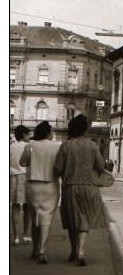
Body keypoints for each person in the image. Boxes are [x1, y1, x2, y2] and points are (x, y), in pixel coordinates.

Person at [54, 114, 108, 266]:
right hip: (89, 187)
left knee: (72, 218)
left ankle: (73, 250)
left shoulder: (66, 145)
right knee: (84, 218)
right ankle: (81, 252)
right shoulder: (92, 145)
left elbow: (58, 168)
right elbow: (101, 166)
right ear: (85, 129)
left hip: (70, 187)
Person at [19, 121, 62, 263]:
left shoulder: (29, 146)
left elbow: (22, 162)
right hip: (50, 185)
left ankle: (35, 250)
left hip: (33, 185)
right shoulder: (57, 146)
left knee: (35, 217)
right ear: (48, 133)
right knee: (46, 219)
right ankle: (42, 250)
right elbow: (60, 166)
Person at [10, 124, 32, 246]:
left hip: (13, 177)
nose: (29, 137)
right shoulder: (29, 147)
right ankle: (26, 235)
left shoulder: (10, 147)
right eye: (28, 134)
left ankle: (16, 237)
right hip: (26, 177)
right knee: (27, 208)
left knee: (15, 207)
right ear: (24, 135)